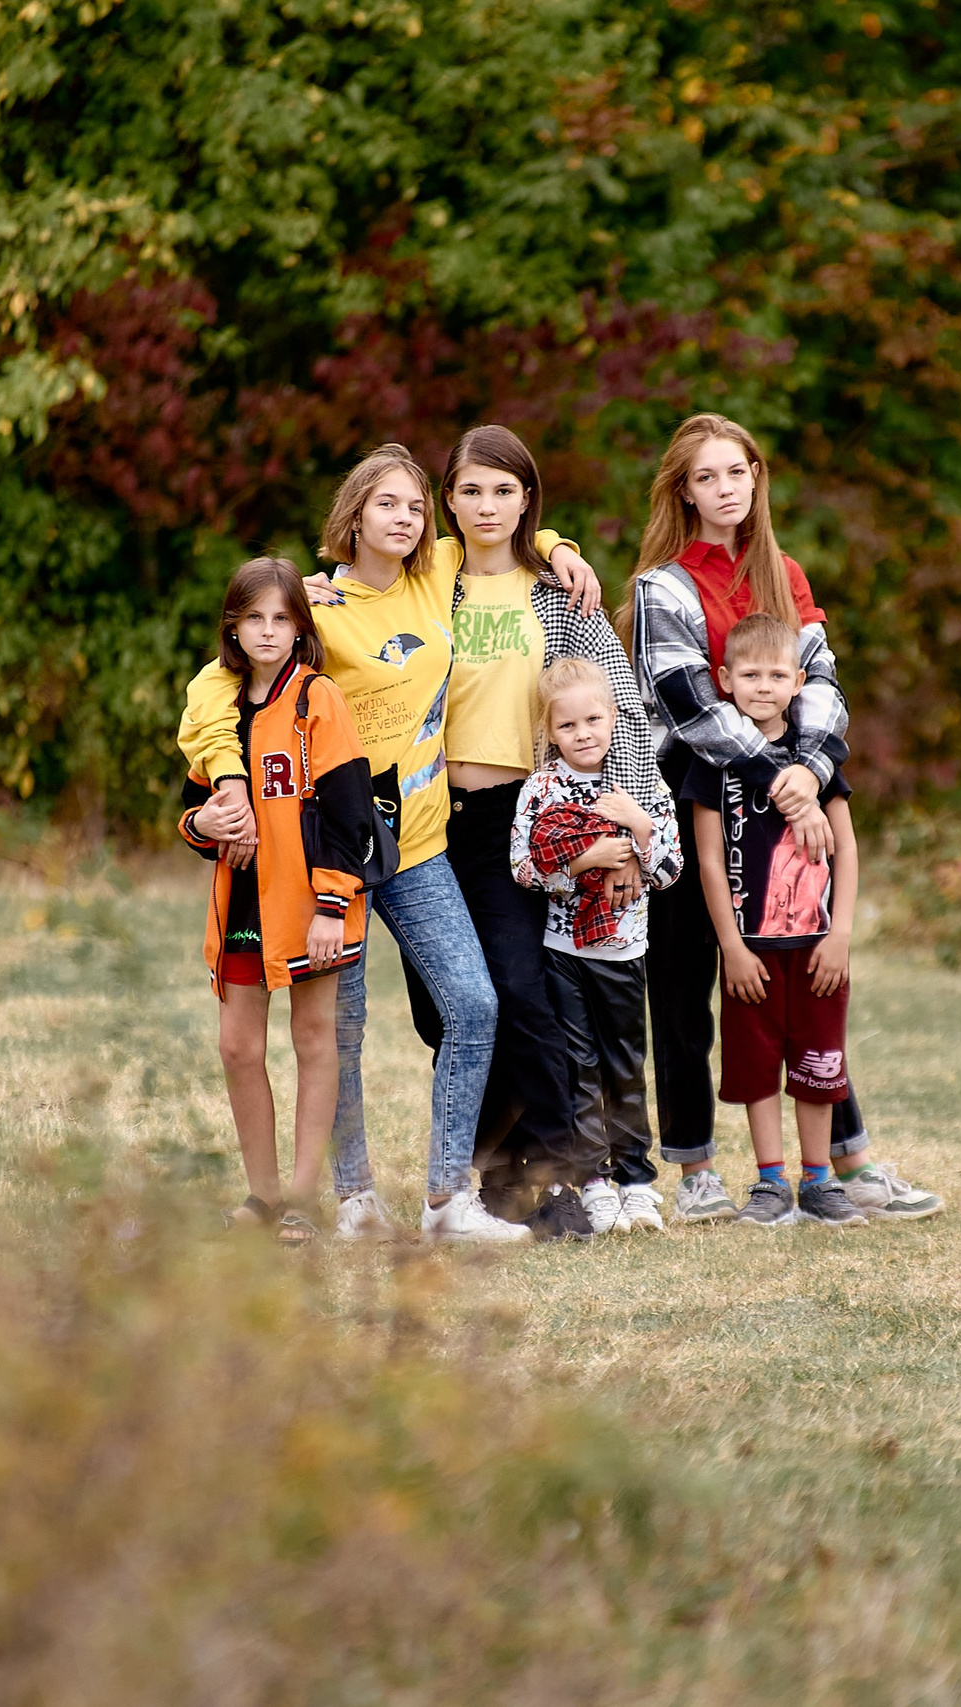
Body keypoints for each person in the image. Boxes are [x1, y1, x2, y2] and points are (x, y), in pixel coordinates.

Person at [178, 446, 568, 1243]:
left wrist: (563, 547)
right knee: (340, 1031)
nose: (407, 518)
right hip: (330, 854)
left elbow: (510, 528)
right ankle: (355, 1199)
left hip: (419, 845)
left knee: (474, 1002)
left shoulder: (437, 572)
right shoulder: (312, 604)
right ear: (353, 514)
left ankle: (447, 1199)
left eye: (417, 507)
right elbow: (217, 684)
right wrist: (223, 780)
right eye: (388, 504)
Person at [618, 413, 943, 1224]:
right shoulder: (664, 586)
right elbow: (688, 705)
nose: (725, 488)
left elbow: (822, 679)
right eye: (707, 477)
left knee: (801, 982)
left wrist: (811, 773)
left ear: (756, 478)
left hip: (783, 805)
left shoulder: (783, 572)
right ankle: (695, 1169)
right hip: (692, 794)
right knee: (689, 985)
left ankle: (846, 1162)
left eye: (737, 472)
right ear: (683, 491)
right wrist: (781, 778)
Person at [423, 425, 672, 1239]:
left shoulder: (559, 593)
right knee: (444, 1011)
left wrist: (630, 832)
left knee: (521, 995)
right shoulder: (427, 583)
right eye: (470, 490)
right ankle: (495, 1174)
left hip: (514, 817)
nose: (487, 505)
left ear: (528, 498)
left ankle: (553, 1175)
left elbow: (619, 708)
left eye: (505, 489)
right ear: (448, 499)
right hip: (428, 818)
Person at [176, 559, 376, 1244]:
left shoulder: (317, 698)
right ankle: (260, 1194)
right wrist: (201, 825)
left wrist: (331, 904)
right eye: (253, 617)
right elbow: (194, 806)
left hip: (312, 903)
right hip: (242, 906)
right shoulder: (218, 702)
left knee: (314, 1040)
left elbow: (351, 813)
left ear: (300, 626)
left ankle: (299, 1197)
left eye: (280, 617)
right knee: (237, 1046)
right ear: (233, 624)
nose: (267, 630)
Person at [686, 614, 866, 1229]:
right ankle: (770, 1182)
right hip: (751, 950)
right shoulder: (715, 760)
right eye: (750, 674)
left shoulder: (815, 762)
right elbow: (710, 861)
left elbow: (845, 845)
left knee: (818, 1061)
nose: (762, 686)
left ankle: (819, 1181)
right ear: (725, 680)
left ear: (798, 683)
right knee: (756, 1063)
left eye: (777, 675)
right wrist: (731, 946)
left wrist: (841, 933)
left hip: (818, 946)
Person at [509, 657, 681, 1234]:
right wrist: (586, 859)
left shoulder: (640, 781)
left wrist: (640, 829)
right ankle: (594, 1181)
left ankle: (635, 1179)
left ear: (613, 718)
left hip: (625, 951)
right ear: (548, 732)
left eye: (593, 720)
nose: (582, 734)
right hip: (565, 952)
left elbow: (671, 871)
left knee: (625, 1067)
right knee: (578, 1068)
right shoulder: (542, 789)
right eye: (567, 726)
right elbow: (523, 869)